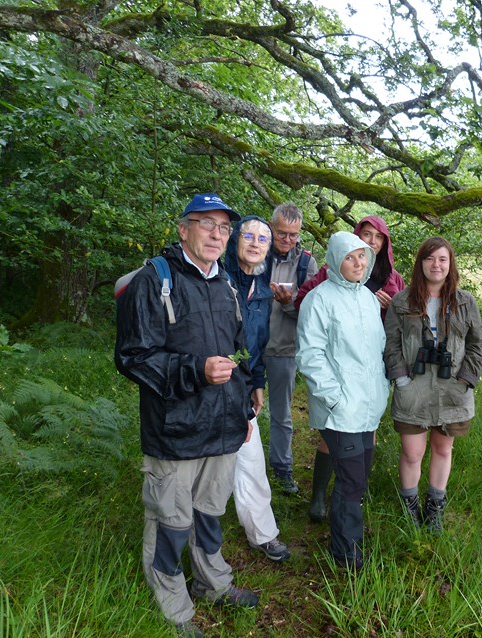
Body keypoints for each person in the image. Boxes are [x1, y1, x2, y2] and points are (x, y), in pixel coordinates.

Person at [115, 193, 258, 638]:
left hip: (221, 427)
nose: (217, 234)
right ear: (183, 229)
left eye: (223, 227)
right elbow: (133, 357)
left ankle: (213, 583)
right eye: (206, 224)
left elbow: (238, 350)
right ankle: (174, 609)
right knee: (170, 522)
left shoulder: (228, 285)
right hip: (174, 429)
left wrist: (248, 393)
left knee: (210, 514)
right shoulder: (154, 280)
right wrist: (194, 370)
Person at [295, 215, 405, 522]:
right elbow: (309, 333)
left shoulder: (391, 278)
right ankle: (324, 499)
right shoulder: (325, 287)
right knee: (337, 443)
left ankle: (351, 496)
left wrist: (389, 306)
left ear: (383, 244)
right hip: (339, 381)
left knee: (361, 455)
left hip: (370, 381)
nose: (369, 243)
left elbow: (403, 320)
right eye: (365, 235)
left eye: (376, 238)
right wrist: (333, 395)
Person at [383, 237, 482, 534]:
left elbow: (478, 344)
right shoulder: (402, 302)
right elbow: (390, 344)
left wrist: (466, 379)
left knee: (443, 449)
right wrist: (400, 378)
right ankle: (410, 507)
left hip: (452, 388)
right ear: (421, 264)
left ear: (450, 264)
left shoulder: (465, 302)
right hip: (413, 387)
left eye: (442, 259)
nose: (436, 265)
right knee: (412, 452)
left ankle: (435, 508)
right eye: (430, 259)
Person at [223, 216, 290, 562]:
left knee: (250, 457)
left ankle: (263, 533)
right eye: (247, 235)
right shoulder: (219, 279)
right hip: (209, 381)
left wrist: (257, 383)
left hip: (242, 385)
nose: (254, 242)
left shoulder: (263, 290)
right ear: (235, 240)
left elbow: (258, 343)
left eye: (262, 238)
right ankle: (195, 531)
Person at [265, 203, 318, 494]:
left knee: (281, 413)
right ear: (271, 228)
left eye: (293, 235)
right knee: (236, 408)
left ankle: (282, 470)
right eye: (281, 233)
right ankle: (233, 467)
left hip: (284, 347)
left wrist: (288, 302)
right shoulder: (254, 250)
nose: (287, 240)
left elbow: (308, 314)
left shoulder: (305, 263)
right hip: (249, 346)